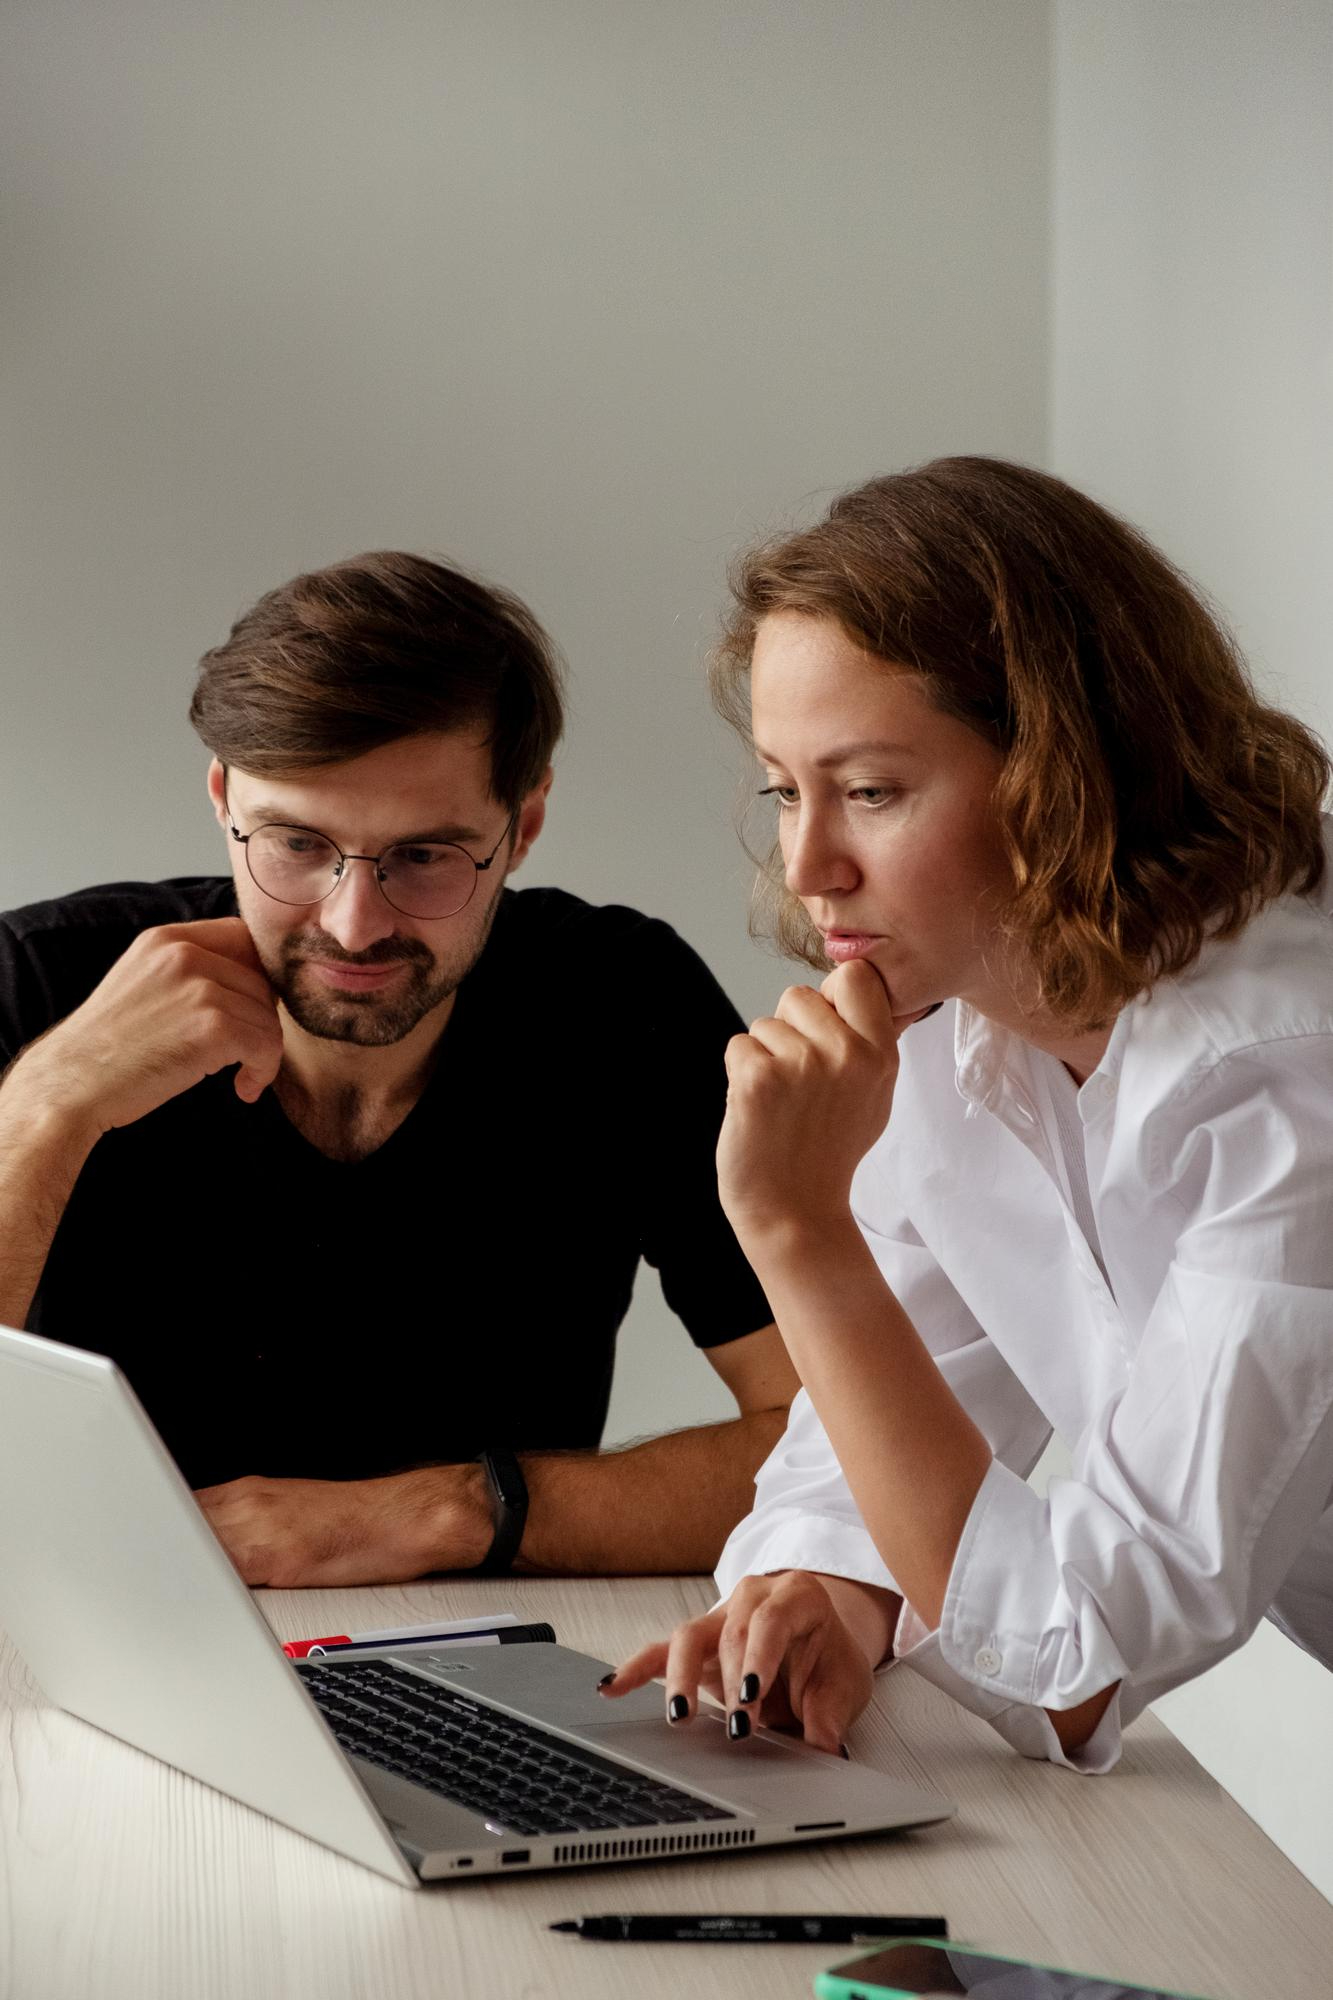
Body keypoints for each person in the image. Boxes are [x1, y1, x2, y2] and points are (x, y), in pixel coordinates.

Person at [603, 456, 1333, 1771]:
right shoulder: (948, 1026)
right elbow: (897, 1411)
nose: (808, 866)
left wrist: (794, 1230)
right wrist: (831, 1587)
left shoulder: (1287, 1081)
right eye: (785, 789)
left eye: (871, 791)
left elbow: (1083, 1658)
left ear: (1068, 772)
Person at [0, 551, 794, 1586]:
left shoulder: (618, 1002)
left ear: (524, 827)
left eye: (423, 856)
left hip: (481, 1670)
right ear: (221, 799)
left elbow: (840, 1449)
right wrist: (45, 1107)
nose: (352, 920)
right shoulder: (42, 984)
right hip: (87, 1652)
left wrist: (451, 1509)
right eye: (293, 843)